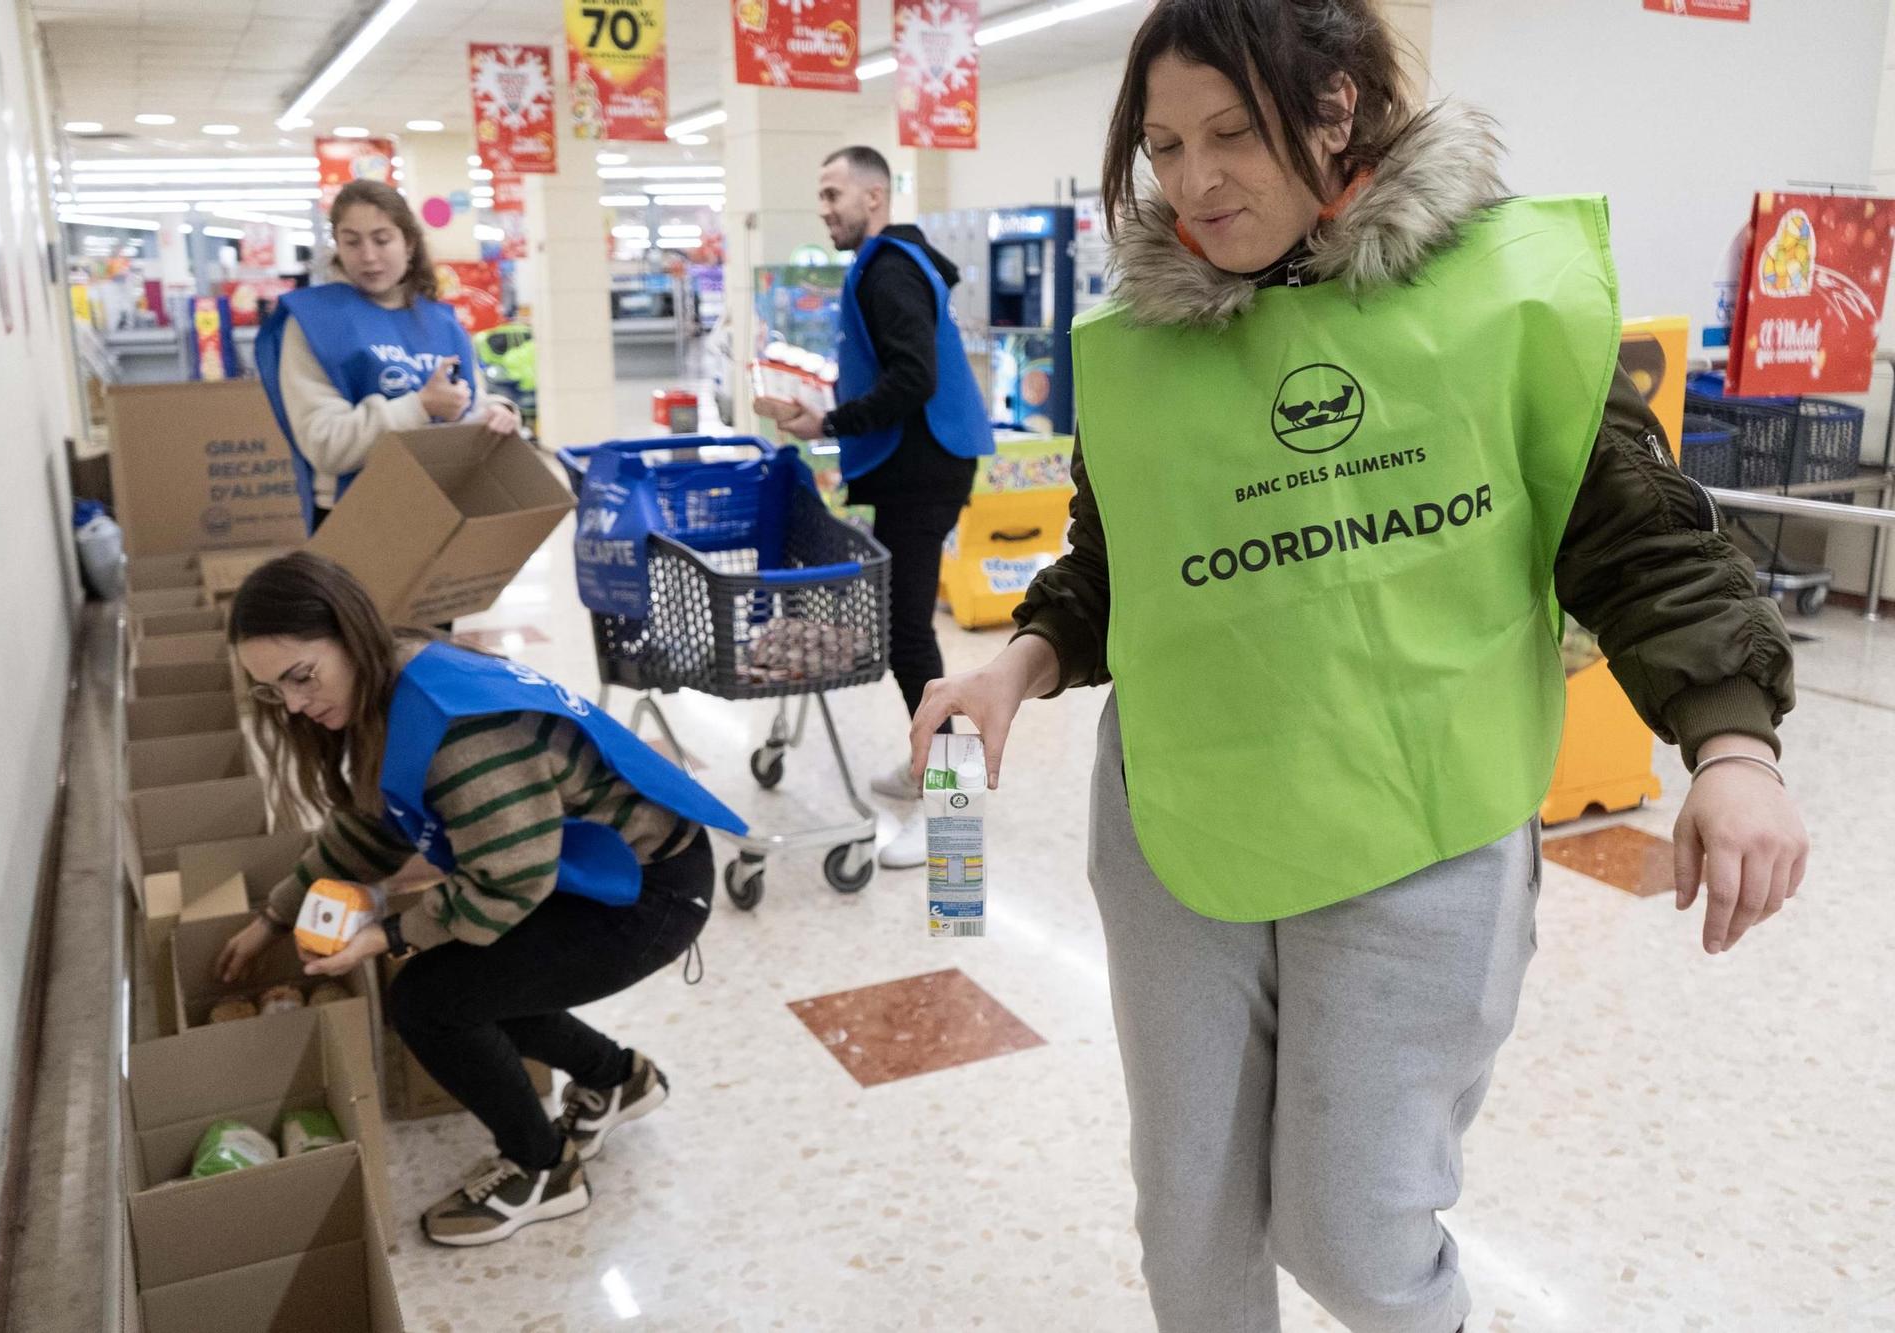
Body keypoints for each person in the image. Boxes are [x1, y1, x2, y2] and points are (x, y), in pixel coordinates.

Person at [909, 2, 1810, 1329]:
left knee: (1353, 1229)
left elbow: (1638, 536)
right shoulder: (1150, 348)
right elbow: (1123, 560)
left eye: (1232, 134)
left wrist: (1731, 746)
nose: (1194, 181)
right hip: (1183, 819)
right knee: (1189, 1215)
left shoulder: (1496, 302)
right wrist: (1022, 659)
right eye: (1161, 145)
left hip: (1418, 816)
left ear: (1338, 110)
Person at [213, 552, 747, 1247]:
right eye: (271, 690)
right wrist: (275, 916)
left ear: (349, 634)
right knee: (476, 977)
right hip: (588, 869)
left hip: (650, 891)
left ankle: (543, 1169)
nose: (292, 705)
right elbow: (374, 824)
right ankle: (618, 1079)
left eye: (300, 677)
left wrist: (390, 932)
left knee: (432, 1001)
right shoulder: (397, 676)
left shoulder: (454, 730)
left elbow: (508, 883)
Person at [754, 145, 994, 870]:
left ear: (876, 198)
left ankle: (955, 810)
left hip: (922, 468)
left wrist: (829, 424)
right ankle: (930, 768)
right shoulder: (893, 262)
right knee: (903, 630)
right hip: (919, 466)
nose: (826, 208)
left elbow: (914, 377)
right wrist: (823, 416)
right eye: (821, 195)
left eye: (835, 194)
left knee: (908, 635)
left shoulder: (888, 268)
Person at [255, 180, 521, 534]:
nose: (368, 256)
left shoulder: (442, 323)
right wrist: (421, 407)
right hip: (354, 515)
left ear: (408, 242)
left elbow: (471, 401)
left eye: (382, 240)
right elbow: (326, 445)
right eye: (352, 242)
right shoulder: (314, 322)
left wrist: (497, 413)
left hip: (442, 505)